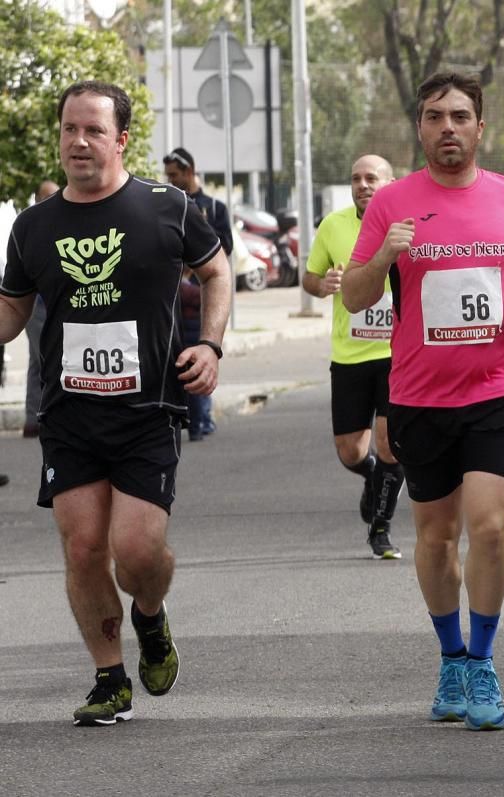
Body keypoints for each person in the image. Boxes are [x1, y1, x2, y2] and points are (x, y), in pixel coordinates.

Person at [0, 81, 231, 726]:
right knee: (82, 548)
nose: (79, 141)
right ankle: (109, 677)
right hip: (70, 414)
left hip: (148, 410)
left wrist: (209, 345)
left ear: (121, 139)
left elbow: (216, 272)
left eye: (93, 130)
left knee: (137, 551)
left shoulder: (168, 208)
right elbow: (12, 310)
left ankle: (150, 617)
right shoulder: (34, 226)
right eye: (70, 128)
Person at [342, 72, 504, 731]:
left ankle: (485, 658)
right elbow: (355, 295)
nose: (448, 126)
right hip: (419, 395)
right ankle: (451, 657)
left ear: (479, 126)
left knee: (490, 525)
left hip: (501, 386)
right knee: (437, 536)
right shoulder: (391, 203)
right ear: (420, 127)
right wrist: (383, 251)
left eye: (460, 115)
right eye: (435, 115)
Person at [303, 154, 404, 560]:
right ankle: (375, 477)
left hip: (398, 354)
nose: (363, 185)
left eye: (371, 178)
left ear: (390, 182)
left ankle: (381, 530)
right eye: (356, 178)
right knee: (349, 450)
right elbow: (309, 278)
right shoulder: (333, 225)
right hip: (349, 356)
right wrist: (322, 283)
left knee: (388, 443)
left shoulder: (405, 228)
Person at [163, 146, 233, 441]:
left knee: (199, 353)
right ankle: (186, 417)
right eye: (167, 176)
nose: (171, 180)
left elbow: (224, 250)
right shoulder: (168, 204)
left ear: (190, 172)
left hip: (201, 296)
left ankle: (201, 420)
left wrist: (195, 268)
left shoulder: (214, 208)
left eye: (175, 175)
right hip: (172, 297)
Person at [22, 180, 59, 438]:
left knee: (45, 361)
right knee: (42, 359)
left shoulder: (67, 223)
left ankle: (40, 418)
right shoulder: (29, 227)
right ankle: (35, 418)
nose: (51, 202)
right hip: (37, 306)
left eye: (54, 197)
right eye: (46, 197)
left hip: (58, 306)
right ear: (36, 199)